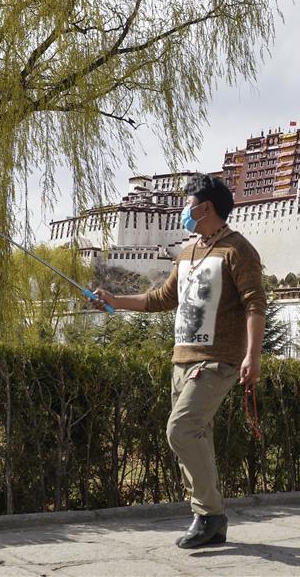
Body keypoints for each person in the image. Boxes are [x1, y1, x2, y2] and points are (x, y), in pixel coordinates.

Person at [90, 174, 265, 549]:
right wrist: (114, 300)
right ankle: (212, 522)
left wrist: (252, 356)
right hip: (181, 359)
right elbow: (160, 298)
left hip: (218, 360)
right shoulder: (187, 252)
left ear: (205, 208)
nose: (184, 208)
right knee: (196, 436)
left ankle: (208, 514)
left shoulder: (238, 250)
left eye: (189, 202)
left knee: (181, 430)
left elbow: (255, 304)